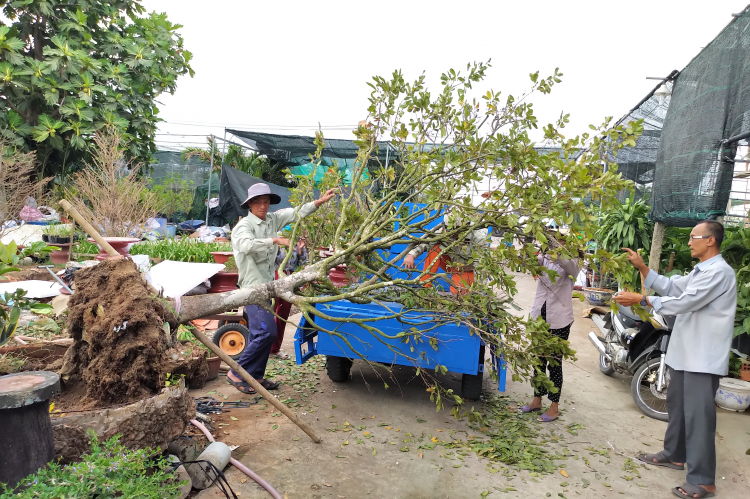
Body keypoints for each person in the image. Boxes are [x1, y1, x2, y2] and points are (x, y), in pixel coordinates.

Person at [614, 220, 736, 499]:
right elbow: (673, 287)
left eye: (695, 237)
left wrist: (644, 300)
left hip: (702, 358)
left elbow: (687, 301)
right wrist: (643, 268)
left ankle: (704, 480)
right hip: (686, 354)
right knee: (678, 406)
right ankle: (675, 454)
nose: (690, 241)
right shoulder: (701, 270)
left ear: (711, 241)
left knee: (699, 417)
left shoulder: (719, 272)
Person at [226, 184, 337, 394]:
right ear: (249, 204)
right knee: (266, 333)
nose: (263, 206)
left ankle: (255, 376)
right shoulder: (244, 226)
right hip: (252, 288)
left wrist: (318, 203)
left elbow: (295, 213)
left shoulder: (271, 219)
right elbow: (245, 246)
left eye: (266, 201)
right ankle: (236, 373)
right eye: (258, 202)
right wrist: (274, 240)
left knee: (259, 333)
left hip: (267, 286)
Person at [519, 244, 580, 422]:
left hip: (560, 320)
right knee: (538, 362)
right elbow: (526, 262)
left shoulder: (572, 261)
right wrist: (526, 247)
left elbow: (572, 270)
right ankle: (536, 400)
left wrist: (558, 252)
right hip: (539, 317)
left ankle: (554, 407)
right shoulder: (543, 259)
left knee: (554, 363)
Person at [402, 214, 489, 294]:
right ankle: (425, 287)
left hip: (468, 270)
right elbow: (425, 242)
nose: (450, 233)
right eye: (448, 229)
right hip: (450, 264)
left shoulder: (478, 236)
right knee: (435, 247)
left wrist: (479, 292)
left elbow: (480, 266)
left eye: (454, 230)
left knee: (458, 292)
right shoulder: (442, 231)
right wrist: (411, 255)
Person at [269, 235, 309, 360]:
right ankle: (260, 346)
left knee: (283, 315)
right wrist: (277, 247)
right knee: (268, 313)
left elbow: (302, 264)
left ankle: (275, 349)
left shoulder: (298, 242)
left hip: (290, 281)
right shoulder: (276, 240)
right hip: (274, 279)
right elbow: (270, 261)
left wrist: (300, 251)